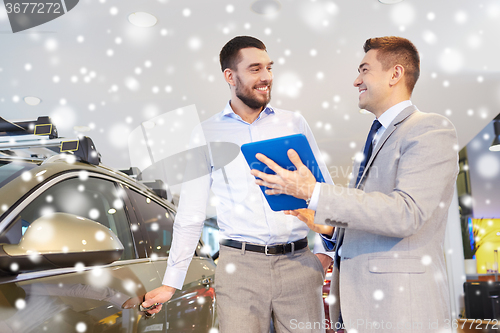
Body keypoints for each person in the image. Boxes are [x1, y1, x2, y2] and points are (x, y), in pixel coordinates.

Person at [250, 36, 459, 333]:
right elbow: (375, 221)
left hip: (402, 310)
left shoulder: (430, 128)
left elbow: (407, 213)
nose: (355, 81)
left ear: (395, 74)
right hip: (366, 308)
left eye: (364, 70)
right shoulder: (375, 138)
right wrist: (331, 229)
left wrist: (315, 192)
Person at [142, 35, 334, 333]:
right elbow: (191, 214)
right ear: (230, 76)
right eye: (255, 68)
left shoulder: (293, 123)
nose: (267, 77)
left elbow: (324, 191)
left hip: (298, 264)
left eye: (269, 68)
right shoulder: (206, 132)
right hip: (239, 267)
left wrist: (325, 253)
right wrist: (171, 282)